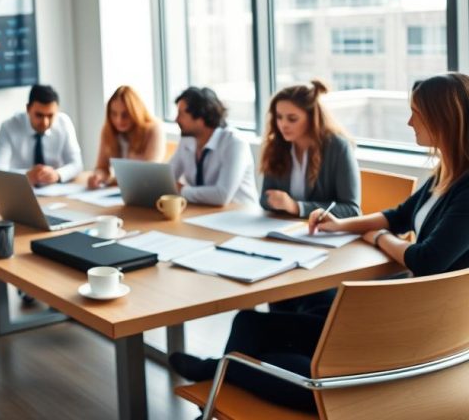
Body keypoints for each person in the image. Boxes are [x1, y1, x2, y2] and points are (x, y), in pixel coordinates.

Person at [169, 73, 469, 412]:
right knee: (248, 323)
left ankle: (216, 379)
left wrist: (377, 236)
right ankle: (218, 381)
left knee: (254, 355)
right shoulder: (444, 175)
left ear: (443, 118)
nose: (409, 121)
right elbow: (397, 215)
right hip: (398, 325)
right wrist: (342, 225)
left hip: (406, 343)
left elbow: (426, 259)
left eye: (417, 112)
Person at [259, 80, 361, 219]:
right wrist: (272, 201)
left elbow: (351, 209)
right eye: (279, 117)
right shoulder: (276, 146)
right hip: (286, 228)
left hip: (324, 233)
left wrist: (296, 207)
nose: (283, 125)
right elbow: (265, 198)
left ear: (312, 118)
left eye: (292, 119)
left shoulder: (338, 147)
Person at [169, 87, 258, 206]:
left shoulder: (234, 142)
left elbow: (222, 195)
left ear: (200, 117)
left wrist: (182, 190)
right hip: (204, 213)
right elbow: (168, 177)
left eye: (181, 114)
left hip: (240, 216)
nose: (176, 119)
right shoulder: (187, 140)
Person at [0, 84, 84, 186]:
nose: (45, 122)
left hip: (56, 189)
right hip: (21, 188)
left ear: (57, 110)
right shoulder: (9, 126)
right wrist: (26, 175)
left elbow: (77, 165)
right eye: (39, 115)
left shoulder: (64, 122)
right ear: (28, 109)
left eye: (50, 115)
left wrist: (57, 174)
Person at [87, 85, 165, 189]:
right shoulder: (108, 130)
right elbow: (102, 167)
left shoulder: (154, 129)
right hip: (119, 193)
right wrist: (98, 176)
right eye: (114, 114)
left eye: (125, 115)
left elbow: (149, 173)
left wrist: (115, 180)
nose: (119, 120)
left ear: (136, 112)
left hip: (144, 191)